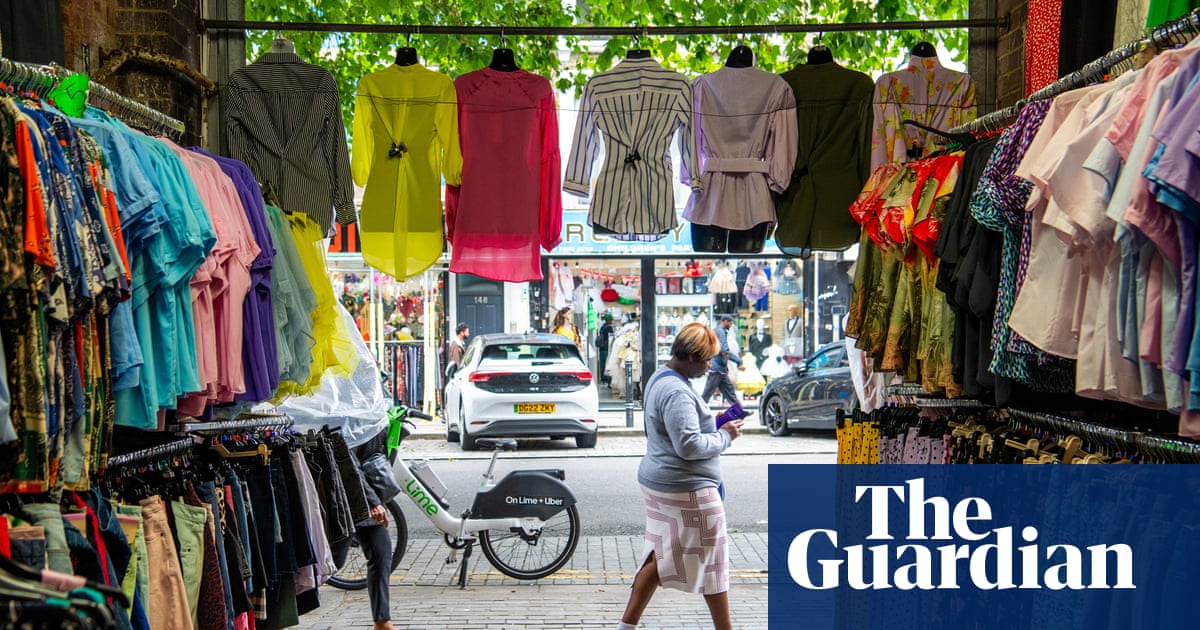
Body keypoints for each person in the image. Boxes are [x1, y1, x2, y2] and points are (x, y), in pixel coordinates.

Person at [616, 322, 744, 630]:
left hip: (666, 483)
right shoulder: (677, 391)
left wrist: (710, 423)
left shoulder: (661, 378)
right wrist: (725, 435)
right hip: (687, 489)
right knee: (705, 563)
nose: (709, 366)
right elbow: (688, 445)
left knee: (660, 558)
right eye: (706, 360)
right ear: (689, 357)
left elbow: (678, 430)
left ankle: (626, 627)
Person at [331, 429, 397, 630]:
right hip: (345, 499)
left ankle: (382, 621)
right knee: (332, 561)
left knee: (381, 552)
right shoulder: (345, 419)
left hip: (363, 497)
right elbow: (348, 464)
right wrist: (372, 501)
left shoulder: (370, 416)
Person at [701, 315, 743, 405]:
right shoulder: (721, 332)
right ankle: (697, 411)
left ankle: (739, 412)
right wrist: (738, 361)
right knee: (708, 392)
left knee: (730, 392)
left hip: (720, 368)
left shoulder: (718, 331)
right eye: (730, 322)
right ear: (724, 321)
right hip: (717, 368)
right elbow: (724, 351)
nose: (731, 325)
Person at [595, 313, 615, 386]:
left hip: (602, 348)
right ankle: (606, 379)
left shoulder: (602, 327)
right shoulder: (609, 328)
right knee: (606, 364)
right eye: (611, 319)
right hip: (606, 348)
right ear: (609, 320)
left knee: (602, 364)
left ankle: (603, 379)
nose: (612, 321)